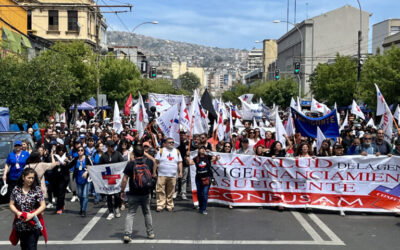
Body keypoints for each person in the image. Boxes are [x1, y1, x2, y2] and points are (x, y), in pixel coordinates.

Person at [121, 145, 155, 243]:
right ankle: (150, 233)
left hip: (133, 193)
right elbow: (154, 160)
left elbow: (124, 180)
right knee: (147, 212)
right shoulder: (148, 163)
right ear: (143, 153)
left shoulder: (130, 164)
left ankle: (127, 234)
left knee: (131, 213)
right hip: (145, 192)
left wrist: (122, 191)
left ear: (134, 154)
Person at [9, 168, 47, 250]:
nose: (31, 180)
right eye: (29, 178)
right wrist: (17, 212)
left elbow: (43, 205)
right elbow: (11, 204)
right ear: (23, 177)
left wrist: (32, 215)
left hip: (33, 225)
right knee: (24, 247)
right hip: (20, 225)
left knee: (31, 247)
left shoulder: (37, 189)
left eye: (32, 178)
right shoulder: (16, 189)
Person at [154, 137, 183, 212]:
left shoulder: (177, 151)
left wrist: (180, 172)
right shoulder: (161, 150)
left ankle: (169, 204)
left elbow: (180, 162)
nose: (171, 144)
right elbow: (156, 162)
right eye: (169, 142)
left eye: (172, 142)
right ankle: (160, 205)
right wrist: (154, 172)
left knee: (171, 191)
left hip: (172, 175)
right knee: (160, 190)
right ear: (165, 143)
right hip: (161, 174)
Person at [189, 146, 219, 215]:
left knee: (205, 194)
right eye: (201, 148)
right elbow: (189, 163)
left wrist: (216, 157)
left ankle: (203, 209)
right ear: (198, 150)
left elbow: (216, 158)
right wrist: (186, 157)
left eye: (203, 149)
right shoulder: (196, 158)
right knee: (199, 194)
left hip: (207, 178)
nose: (202, 150)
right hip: (198, 178)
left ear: (205, 150)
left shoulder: (208, 157)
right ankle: (201, 206)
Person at [99, 140, 124, 220]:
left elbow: (123, 164)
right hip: (107, 178)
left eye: (114, 146)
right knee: (109, 195)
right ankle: (110, 212)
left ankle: (116, 207)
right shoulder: (103, 156)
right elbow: (99, 166)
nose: (113, 147)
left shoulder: (118, 154)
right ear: (108, 147)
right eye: (111, 146)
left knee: (117, 195)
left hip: (116, 179)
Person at [69, 146, 93, 217]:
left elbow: (92, 167)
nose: (80, 151)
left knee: (85, 195)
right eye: (79, 150)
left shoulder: (87, 158)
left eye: (82, 150)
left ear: (84, 151)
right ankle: (81, 207)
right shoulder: (75, 159)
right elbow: (69, 165)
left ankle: (83, 210)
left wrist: (87, 172)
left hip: (86, 180)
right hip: (78, 179)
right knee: (80, 195)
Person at [52, 145, 71, 214]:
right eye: (59, 150)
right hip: (56, 177)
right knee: (57, 192)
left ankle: (59, 208)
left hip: (64, 177)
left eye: (62, 150)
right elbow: (52, 164)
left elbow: (70, 165)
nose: (61, 152)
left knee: (61, 192)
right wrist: (52, 155)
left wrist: (67, 161)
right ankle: (62, 204)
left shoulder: (66, 156)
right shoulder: (54, 156)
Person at [177, 131, 190, 200]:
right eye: (180, 135)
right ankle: (175, 192)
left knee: (184, 179)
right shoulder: (177, 143)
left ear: (186, 135)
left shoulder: (189, 143)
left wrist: (189, 153)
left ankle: (183, 193)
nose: (182, 136)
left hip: (185, 164)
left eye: (183, 135)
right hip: (177, 163)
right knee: (176, 178)